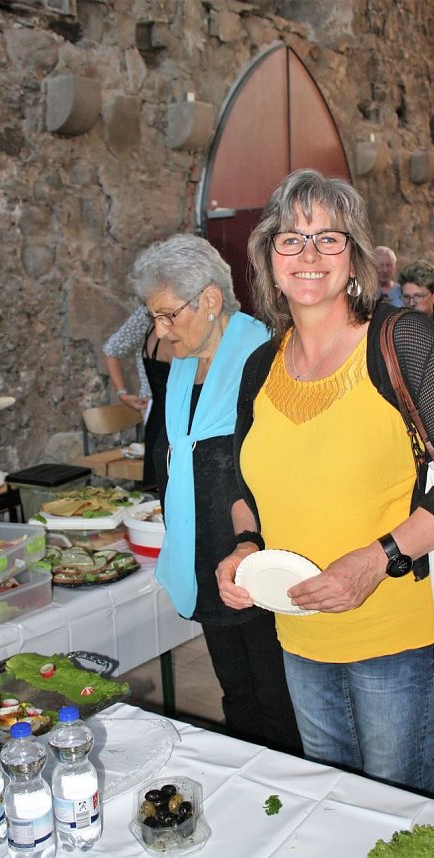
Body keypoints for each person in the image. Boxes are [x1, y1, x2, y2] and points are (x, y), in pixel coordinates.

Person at [216, 169, 434, 794]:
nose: (309, 253)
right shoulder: (261, 364)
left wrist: (379, 560)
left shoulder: (403, 340)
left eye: (329, 237)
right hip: (297, 628)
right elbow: (244, 485)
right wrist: (244, 546)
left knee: (394, 803)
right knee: (326, 797)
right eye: (291, 239)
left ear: (354, 257)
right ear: (269, 259)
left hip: (391, 632)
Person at [132, 233, 301, 753]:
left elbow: (275, 464)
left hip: (256, 548)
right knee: (236, 689)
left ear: (209, 299)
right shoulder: (183, 366)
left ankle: (288, 780)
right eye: (153, 317)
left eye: (168, 315)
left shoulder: (267, 357)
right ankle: (245, 769)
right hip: (202, 549)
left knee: (278, 696)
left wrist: (247, 543)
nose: (160, 331)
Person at [103, 306, 172, 488]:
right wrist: (122, 394)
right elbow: (112, 350)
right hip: (159, 408)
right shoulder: (145, 314)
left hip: (166, 412)